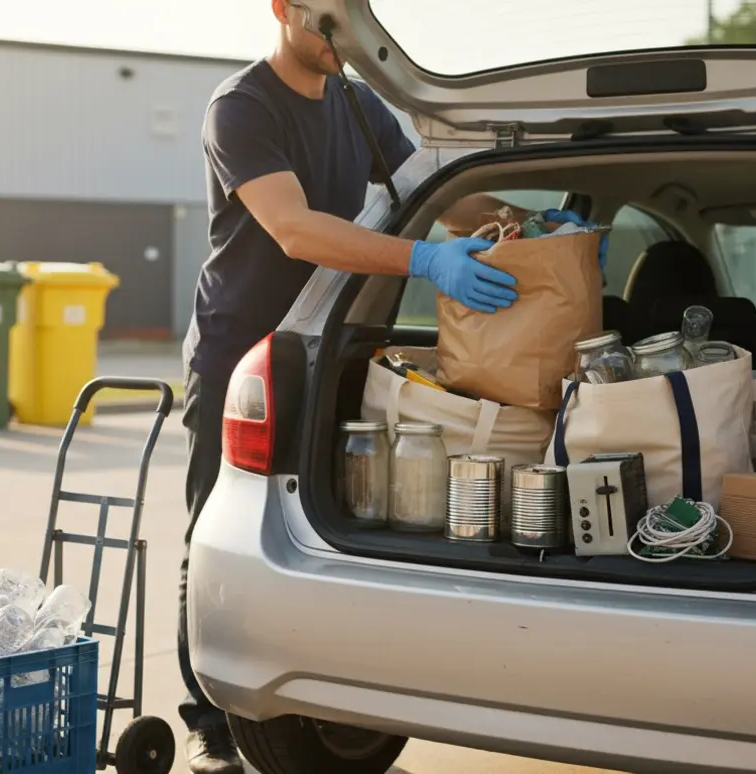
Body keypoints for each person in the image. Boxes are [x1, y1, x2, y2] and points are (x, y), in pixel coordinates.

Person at [177, 3, 533, 772]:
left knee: (323, 527)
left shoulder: (359, 103)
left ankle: (321, 692)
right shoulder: (241, 108)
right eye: (331, 11)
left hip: (325, 345)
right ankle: (212, 725)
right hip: (243, 357)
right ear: (284, 7)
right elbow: (295, 229)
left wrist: (534, 222)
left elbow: (437, 194)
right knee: (225, 532)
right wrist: (425, 262)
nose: (346, 27)